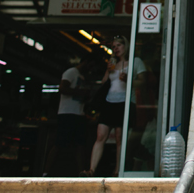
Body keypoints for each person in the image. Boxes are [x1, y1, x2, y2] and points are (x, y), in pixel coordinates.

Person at [81, 36, 145, 177]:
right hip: (109, 102)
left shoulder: (135, 62)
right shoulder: (112, 63)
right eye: (114, 46)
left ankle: (118, 170)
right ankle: (91, 170)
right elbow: (104, 83)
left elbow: (143, 82)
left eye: (118, 45)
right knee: (100, 135)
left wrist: (129, 79)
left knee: (119, 137)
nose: (116, 48)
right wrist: (108, 71)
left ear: (125, 46)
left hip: (124, 102)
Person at [43, 57, 93, 176]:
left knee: (80, 144)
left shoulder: (82, 77)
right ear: (85, 62)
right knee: (59, 143)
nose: (91, 69)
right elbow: (62, 88)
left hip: (79, 113)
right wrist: (81, 93)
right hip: (67, 113)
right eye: (91, 65)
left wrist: (86, 97)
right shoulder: (71, 72)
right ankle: (46, 172)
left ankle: (81, 173)